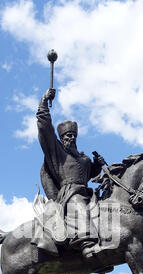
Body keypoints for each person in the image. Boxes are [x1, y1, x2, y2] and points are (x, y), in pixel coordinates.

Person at [36, 88, 105, 258]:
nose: (71, 138)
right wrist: (44, 102)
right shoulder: (57, 152)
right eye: (67, 135)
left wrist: (97, 165)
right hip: (69, 194)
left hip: (86, 191)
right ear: (61, 138)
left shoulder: (84, 158)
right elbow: (45, 129)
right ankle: (86, 244)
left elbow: (89, 175)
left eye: (73, 135)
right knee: (78, 203)